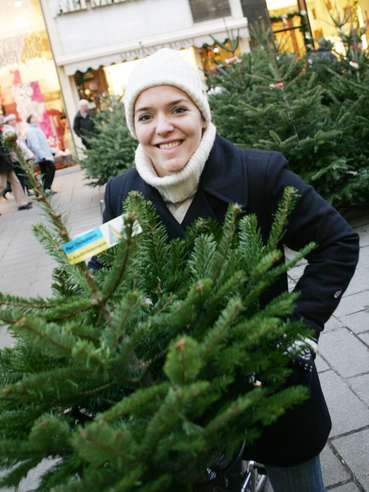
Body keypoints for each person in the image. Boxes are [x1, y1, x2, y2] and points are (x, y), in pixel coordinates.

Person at [101, 49, 359, 492]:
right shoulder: (121, 192)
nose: (162, 127)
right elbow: (106, 274)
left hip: (271, 387)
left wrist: (297, 327)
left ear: (200, 113)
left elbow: (337, 242)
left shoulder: (260, 173)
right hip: (181, 401)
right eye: (146, 116)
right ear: (134, 127)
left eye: (177, 109)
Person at [0, 115, 32, 213]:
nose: (2, 121)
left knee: (16, 182)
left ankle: (22, 203)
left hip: (6, 162)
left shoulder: (1, 132)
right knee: (2, 186)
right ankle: (22, 203)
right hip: (1, 163)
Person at [3, 113, 34, 193]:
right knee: (22, 176)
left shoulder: (11, 130)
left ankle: (26, 193)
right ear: (8, 122)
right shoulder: (9, 131)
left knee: (22, 176)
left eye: (14, 119)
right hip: (17, 157)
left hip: (17, 156)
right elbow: (19, 145)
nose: (14, 121)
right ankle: (24, 194)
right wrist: (29, 154)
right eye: (12, 120)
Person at [25, 115, 56, 195]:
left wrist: (51, 151)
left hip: (44, 154)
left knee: (45, 171)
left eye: (35, 117)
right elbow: (35, 145)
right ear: (29, 120)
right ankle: (46, 188)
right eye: (33, 118)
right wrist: (42, 155)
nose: (35, 119)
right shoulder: (31, 130)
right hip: (41, 155)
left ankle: (46, 189)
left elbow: (44, 143)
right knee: (51, 168)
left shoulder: (36, 128)